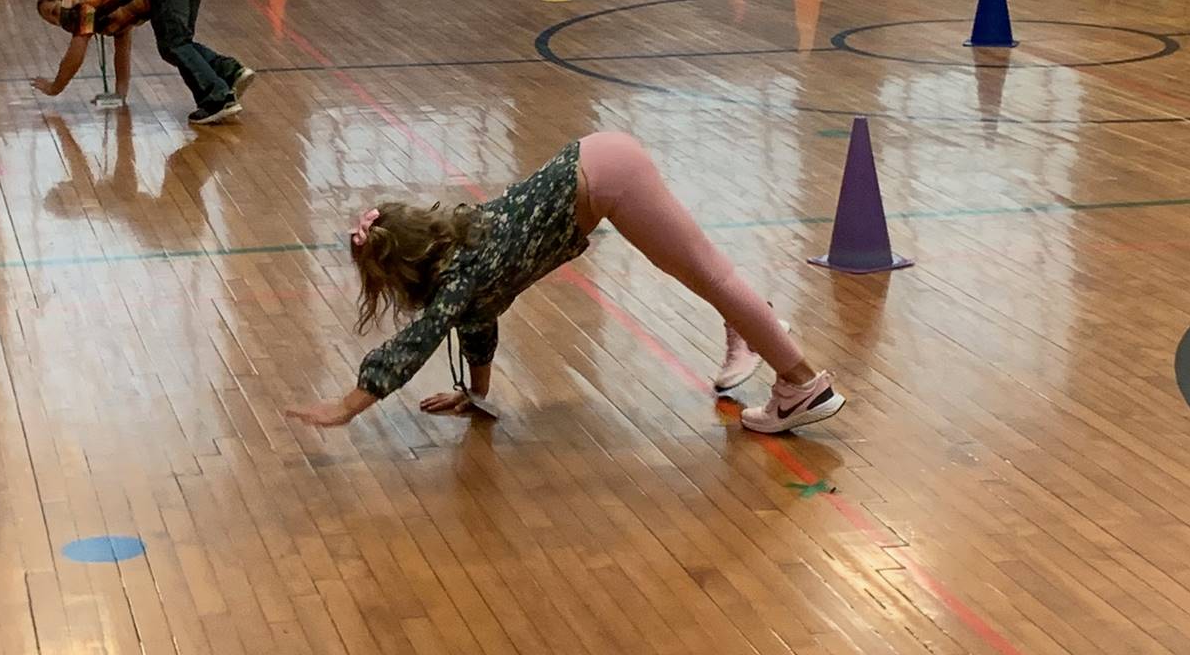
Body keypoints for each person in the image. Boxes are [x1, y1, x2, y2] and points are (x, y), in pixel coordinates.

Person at [286, 131, 841, 435]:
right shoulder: (461, 263)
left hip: (608, 178)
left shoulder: (460, 273)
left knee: (712, 275)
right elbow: (477, 323)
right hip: (601, 158)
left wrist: (346, 405)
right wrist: (477, 394)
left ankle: (799, 382)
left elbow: (417, 341)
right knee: (707, 274)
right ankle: (752, 325)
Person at [33, 0, 252, 125]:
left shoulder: (84, 2)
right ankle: (229, 72)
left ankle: (217, 99)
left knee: (173, 45)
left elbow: (75, 54)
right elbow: (122, 52)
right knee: (179, 44)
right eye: (53, 23)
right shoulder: (109, 10)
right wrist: (119, 95)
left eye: (54, 12)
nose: (59, 23)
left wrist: (55, 87)